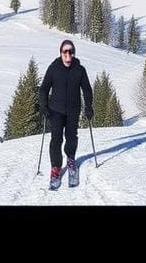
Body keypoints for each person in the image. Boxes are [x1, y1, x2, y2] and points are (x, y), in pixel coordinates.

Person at [39, 39, 93, 189]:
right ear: (61, 53)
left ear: (74, 53)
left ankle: (70, 160)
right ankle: (56, 167)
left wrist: (89, 106)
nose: (68, 54)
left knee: (71, 137)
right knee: (56, 139)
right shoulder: (53, 69)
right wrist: (43, 106)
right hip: (55, 110)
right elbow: (43, 89)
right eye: (65, 52)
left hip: (73, 110)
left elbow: (87, 89)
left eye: (71, 51)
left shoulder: (80, 70)